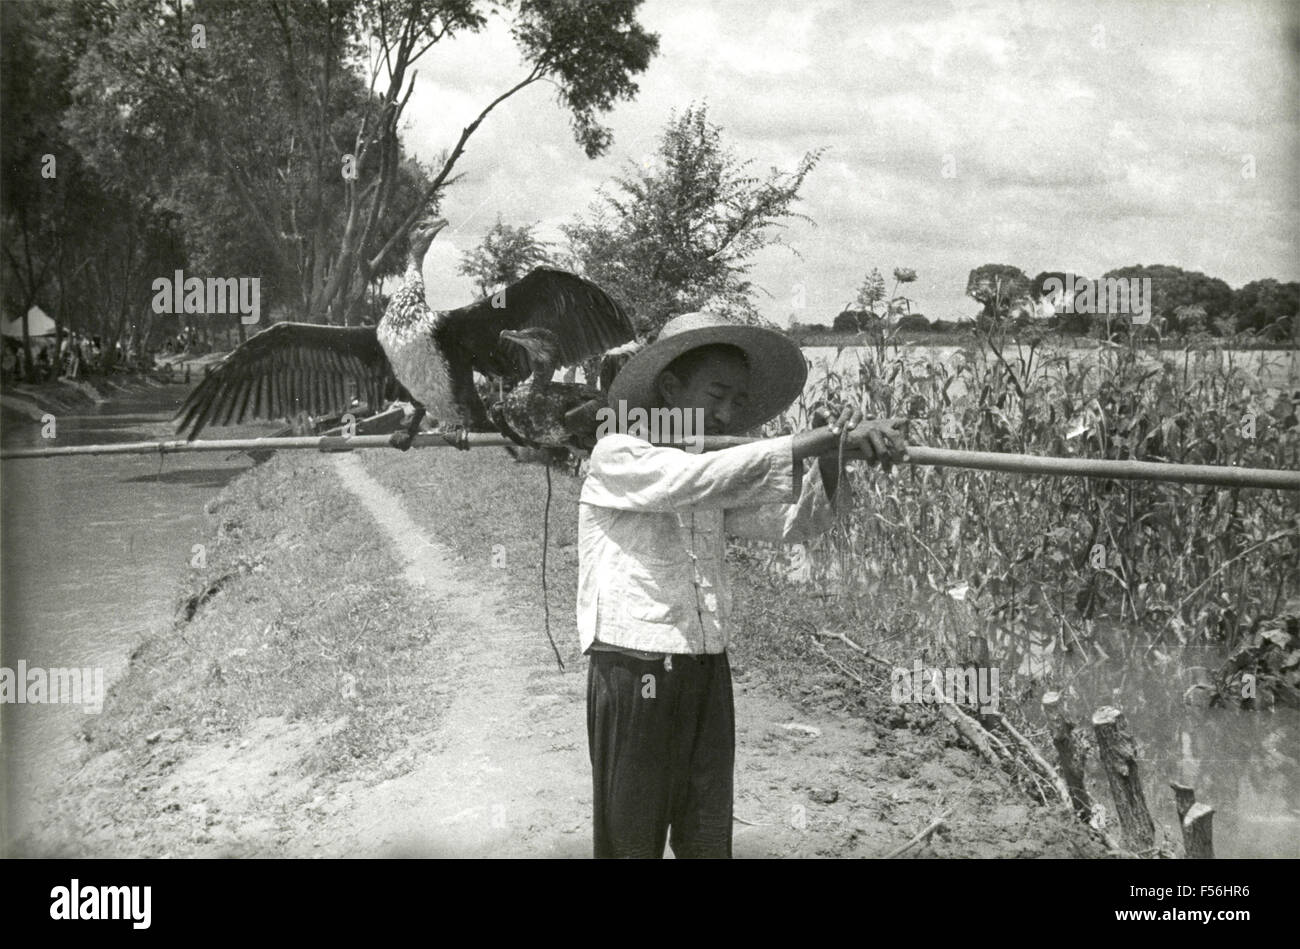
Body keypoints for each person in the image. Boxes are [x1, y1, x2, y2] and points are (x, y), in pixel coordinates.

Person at [578, 310, 908, 858]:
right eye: (717, 395)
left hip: (706, 667)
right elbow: (689, 481)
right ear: (669, 387)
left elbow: (795, 525)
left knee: (707, 836)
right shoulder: (619, 453)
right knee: (629, 841)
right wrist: (818, 436)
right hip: (636, 670)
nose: (728, 412)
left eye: (737, 401)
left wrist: (834, 456)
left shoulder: (713, 463)